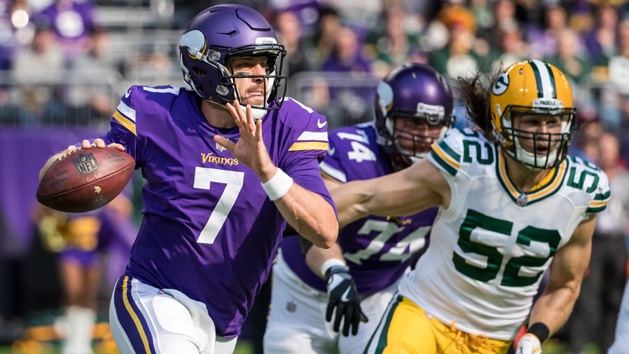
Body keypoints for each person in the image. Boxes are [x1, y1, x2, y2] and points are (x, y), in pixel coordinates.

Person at [38, 4, 338, 354]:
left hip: (224, 323)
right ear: (204, 68)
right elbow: (53, 180)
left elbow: (325, 229)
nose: (261, 76)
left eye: (266, 63)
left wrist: (266, 170)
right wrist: (68, 165)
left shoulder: (291, 125)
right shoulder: (155, 113)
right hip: (154, 294)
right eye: (245, 64)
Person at [330, 60, 611, 354]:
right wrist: (295, 212)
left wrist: (534, 336)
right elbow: (367, 198)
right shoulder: (467, 160)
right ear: (503, 121)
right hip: (424, 313)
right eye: (531, 120)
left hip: (496, 339)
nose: (544, 133)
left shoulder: (583, 190)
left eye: (553, 121)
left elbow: (565, 286)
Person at [264, 63, 455, 354]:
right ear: (385, 116)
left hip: (380, 294)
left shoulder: (454, 169)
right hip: (304, 287)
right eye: (414, 123)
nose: (426, 136)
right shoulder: (348, 151)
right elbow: (313, 226)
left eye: (434, 125)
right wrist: (336, 271)